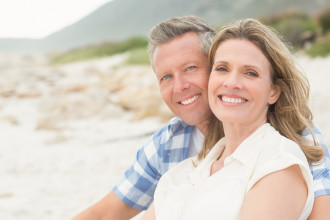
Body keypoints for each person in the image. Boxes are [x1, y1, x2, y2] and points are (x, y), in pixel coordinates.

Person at [72, 16, 330, 220]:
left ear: (274, 91)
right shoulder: (175, 156)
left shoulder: (290, 147)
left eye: (190, 68)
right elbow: (106, 213)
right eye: (166, 77)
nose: (180, 86)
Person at [142, 18, 323, 219]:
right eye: (222, 69)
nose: (232, 82)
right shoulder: (181, 174)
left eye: (250, 73)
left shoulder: (278, 162)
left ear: (273, 91)